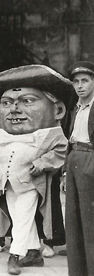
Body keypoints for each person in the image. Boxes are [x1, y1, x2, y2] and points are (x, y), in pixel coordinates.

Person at [0, 64, 71, 275]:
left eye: (27, 101)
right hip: (8, 182)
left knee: (24, 215)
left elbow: (61, 150)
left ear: (58, 110)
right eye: (7, 102)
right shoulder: (1, 133)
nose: (15, 109)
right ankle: (34, 252)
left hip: (31, 182)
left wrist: (42, 163)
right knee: (17, 216)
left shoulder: (52, 134)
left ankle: (15, 255)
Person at [64, 61, 94, 275]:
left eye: (85, 81)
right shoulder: (76, 107)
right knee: (73, 223)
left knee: (90, 221)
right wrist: (66, 171)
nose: (80, 86)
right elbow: (70, 138)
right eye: (76, 81)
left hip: (90, 159)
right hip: (74, 159)